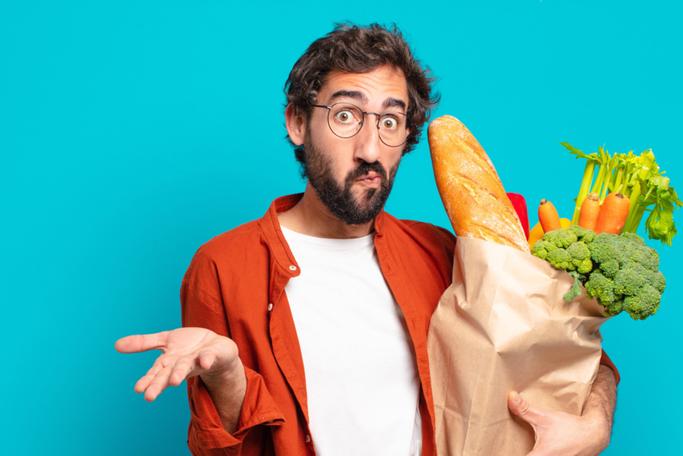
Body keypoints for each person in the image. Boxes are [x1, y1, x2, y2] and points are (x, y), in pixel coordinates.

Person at [115, 23, 619, 456]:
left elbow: (565, 352)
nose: (370, 148)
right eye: (346, 115)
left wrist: (593, 425)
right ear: (297, 122)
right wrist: (227, 381)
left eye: (391, 121)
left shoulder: (443, 254)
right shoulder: (224, 266)